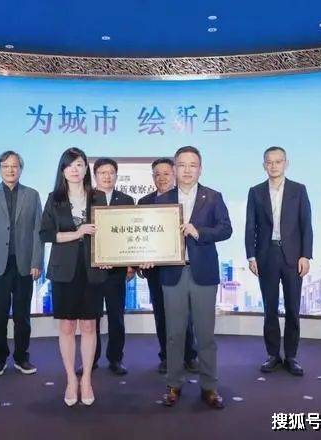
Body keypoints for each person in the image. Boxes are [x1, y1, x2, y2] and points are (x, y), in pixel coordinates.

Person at [153, 146, 232, 410]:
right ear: (174, 168)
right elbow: (154, 237)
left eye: (192, 165)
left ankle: (209, 387)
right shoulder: (163, 200)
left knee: (205, 335)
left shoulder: (213, 197)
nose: (187, 170)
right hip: (172, 273)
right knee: (174, 334)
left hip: (203, 273)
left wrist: (199, 232)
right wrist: (148, 255)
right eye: (182, 165)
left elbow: (226, 229)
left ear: (200, 169)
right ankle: (173, 384)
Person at [39, 147, 108, 406]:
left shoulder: (98, 196)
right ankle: (71, 379)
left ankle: (87, 378)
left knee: (89, 326)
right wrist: (78, 233)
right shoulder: (54, 198)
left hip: (93, 269)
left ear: (86, 168)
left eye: (79, 164)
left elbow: (108, 232)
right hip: (64, 270)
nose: (75, 169)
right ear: (63, 170)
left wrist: (108, 256)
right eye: (69, 165)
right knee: (67, 326)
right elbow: (46, 234)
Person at [244, 146, 313, 377]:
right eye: (269, 162)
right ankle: (273, 355)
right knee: (270, 308)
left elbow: (306, 225)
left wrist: (306, 255)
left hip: (293, 257)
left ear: (286, 163)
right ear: (264, 165)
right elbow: (250, 226)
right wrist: (251, 256)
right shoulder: (255, 192)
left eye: (278, 161)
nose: (274, 166)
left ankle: (291, 356)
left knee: (293, 308)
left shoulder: (298, 190)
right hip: (267, 255)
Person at [0, 150, 44, 377]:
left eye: (14, 166)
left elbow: (38, 231)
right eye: (5, 166)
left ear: (21, 169)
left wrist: (37, 261)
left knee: (22, 316)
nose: (10, 170)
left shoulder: (32, 195)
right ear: (0, 169)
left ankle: (22, 357)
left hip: (24, 264)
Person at [138, 158, 198, 375]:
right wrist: (138, 262)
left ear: (174, 175)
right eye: (157, 174)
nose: (161, 178)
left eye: (166, 173)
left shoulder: (184, 199)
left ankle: (190, 356)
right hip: (154, 269)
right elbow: (138, 236)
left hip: (180, 267)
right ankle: (166, 356)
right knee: (161, 314)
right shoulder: (144, 202)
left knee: (184, 314)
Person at [90, 157, 134, 375]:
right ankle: (91, 358)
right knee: (92, 318)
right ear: (95, 175)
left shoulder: (126, 199)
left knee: (116, 317)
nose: (107, 176)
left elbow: (132, 234)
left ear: (116, 175)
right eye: (102, 173)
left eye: (111, 173)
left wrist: (131, 265)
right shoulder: (86, 198)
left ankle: (116, 359)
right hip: (92, 271)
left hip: (117, 270)